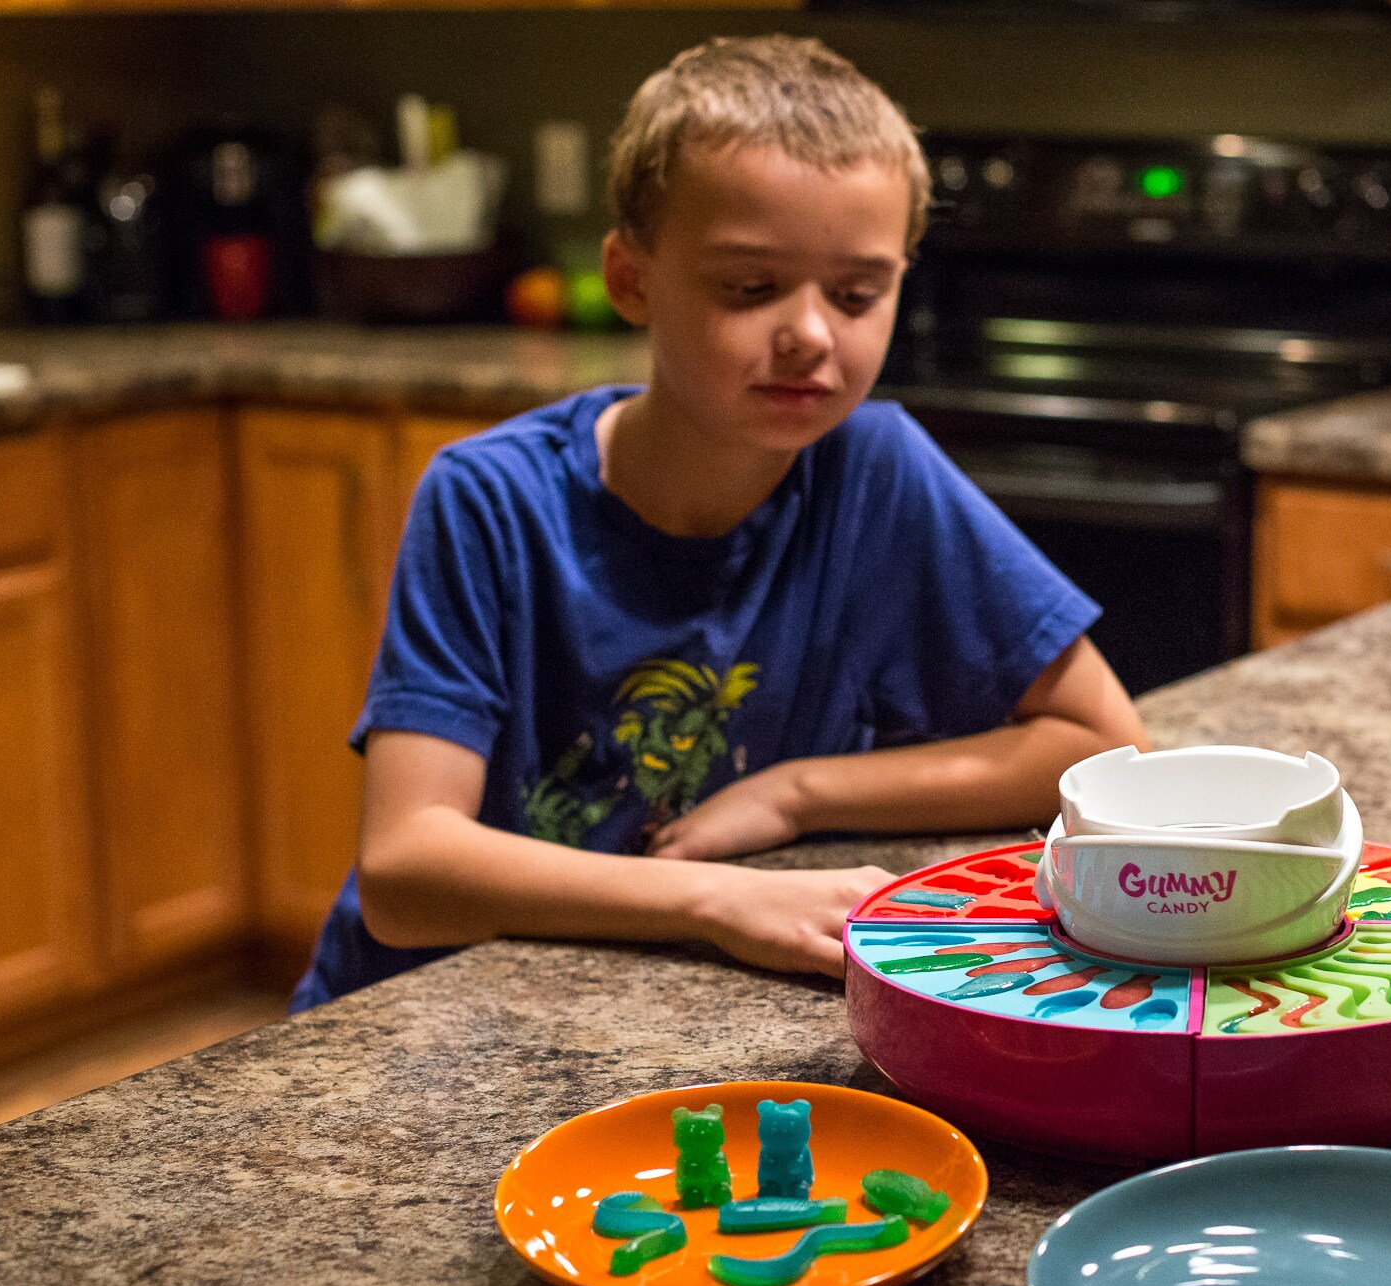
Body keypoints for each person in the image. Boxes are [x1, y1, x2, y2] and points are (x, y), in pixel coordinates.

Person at [289, 36, 1146, 1012]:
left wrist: (795, 791)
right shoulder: (490, 499)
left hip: (640, 1005)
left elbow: (1098, 743)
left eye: (858, 293)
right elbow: (406, 874)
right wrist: (712, 900)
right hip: (421, 1022)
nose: (813, 333)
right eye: (750, 288)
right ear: (631, 279)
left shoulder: (875, 469)